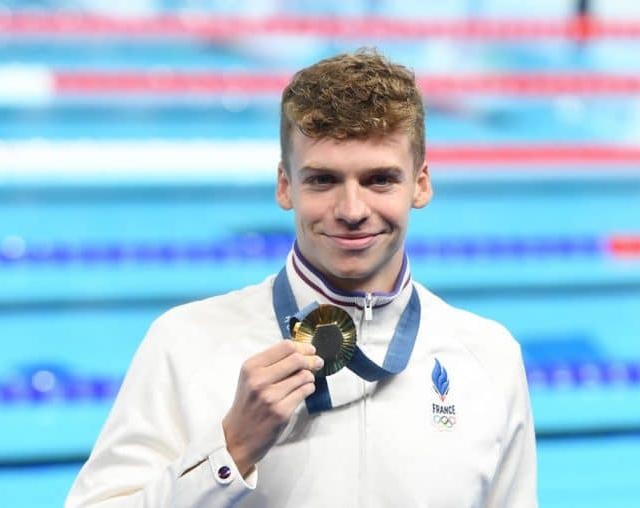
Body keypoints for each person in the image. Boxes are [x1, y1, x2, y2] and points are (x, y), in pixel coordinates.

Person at [66, 48, 537, 507]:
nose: (351, 210)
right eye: (322, 180)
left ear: (420, 184)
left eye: (379, 179)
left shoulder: (489, 358)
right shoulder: (185, 344)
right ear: (285, 186)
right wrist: (230, 451)